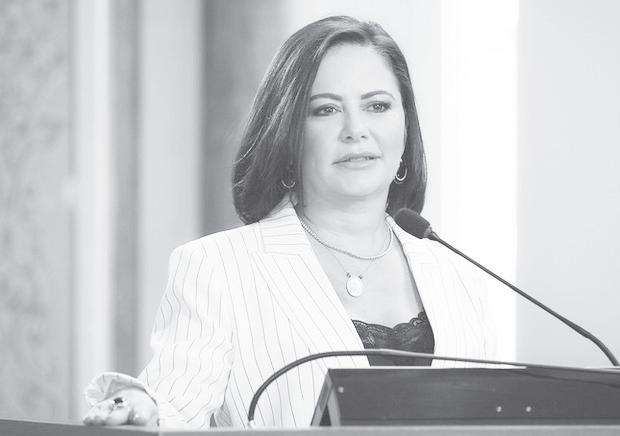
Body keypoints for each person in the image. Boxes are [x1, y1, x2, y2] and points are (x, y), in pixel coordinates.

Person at [82, 15, 498, 428]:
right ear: (288, 133)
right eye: (326, 109)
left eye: (377, 105)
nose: (355, 129)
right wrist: (141, 406)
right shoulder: (218, 268)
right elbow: (172, 405)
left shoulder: (459, 277)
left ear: (405, 125)